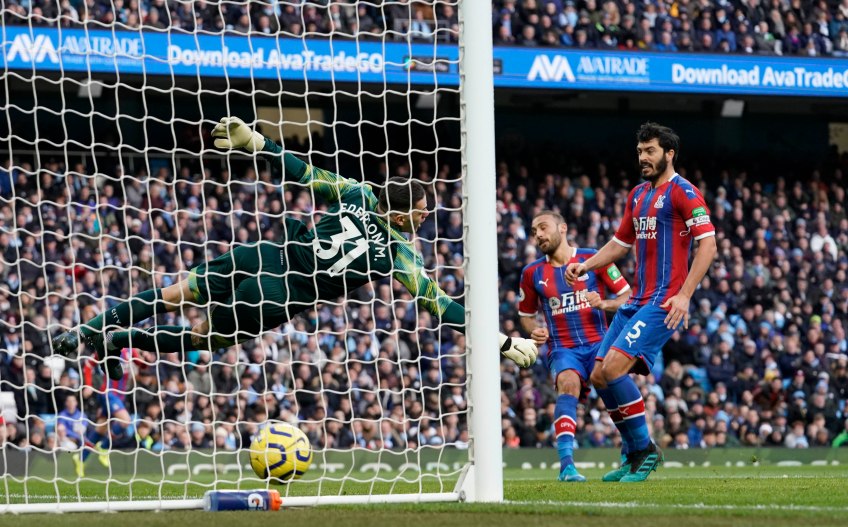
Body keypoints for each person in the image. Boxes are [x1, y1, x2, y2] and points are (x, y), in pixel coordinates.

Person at [53, 116, 537, 378]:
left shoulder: (358, 192)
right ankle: (120, 341)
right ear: (401, 215)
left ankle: (90, 329)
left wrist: (257, 143)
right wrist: (501, 342)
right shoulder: (399, 254)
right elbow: (442, 305)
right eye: (421, 212)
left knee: (173, 294)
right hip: (280, 294)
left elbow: (304, 173)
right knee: (202, 339)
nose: (426, 217)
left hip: (263, 255)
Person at [566, 122, 717, 482]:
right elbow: (620, 244)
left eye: (650, 151)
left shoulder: (685, 192)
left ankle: (645, 450)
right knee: (598, 376)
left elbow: (708, 245)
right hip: (636, 300)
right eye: (640, 152)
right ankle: (634, 454)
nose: (643, 158)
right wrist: (586, 265)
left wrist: (685, 295)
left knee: (613, 369)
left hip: (663, 302)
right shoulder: (637, 194)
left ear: (669, 154)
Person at [518, 210, 631, 482]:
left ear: (563, 228)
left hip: (600, 344)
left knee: (614, 395)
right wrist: (535, 330)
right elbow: (525, 315)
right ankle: (566, 466)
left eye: (543, 227)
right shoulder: (531, 273)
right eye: (534, 232)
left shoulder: (594, 259)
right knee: (568, 384)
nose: (538, 235)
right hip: (563, 348)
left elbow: (627, 296)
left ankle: (631, 455)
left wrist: (604, 304)